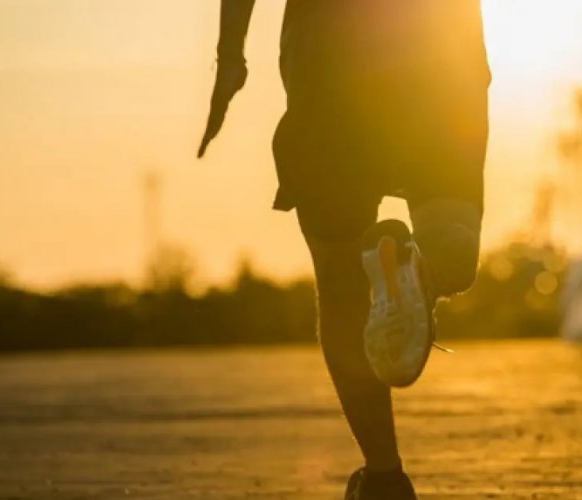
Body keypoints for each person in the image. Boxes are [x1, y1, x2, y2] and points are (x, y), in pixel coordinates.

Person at [198, 2, 490, 498]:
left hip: (329, 60)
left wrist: (231, 58)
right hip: (440, 55)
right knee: (453, 247)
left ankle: (383, 477)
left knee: (339, 281)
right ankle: (420, 270)